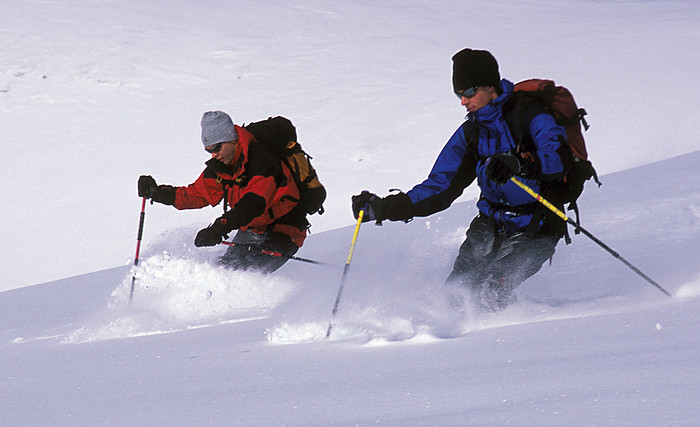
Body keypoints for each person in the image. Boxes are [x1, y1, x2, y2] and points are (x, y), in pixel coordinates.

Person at [351, 48, 576, 311]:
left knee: (490, 291)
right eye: (459, 94)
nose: (463, 101)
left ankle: (506, 339)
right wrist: (386, 207)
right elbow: (441, 185)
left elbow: (559, 158)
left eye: (469, 91)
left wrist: (521, 162)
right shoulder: (472, 132)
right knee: (456, 294)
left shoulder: (530, 115)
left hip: (537, 225)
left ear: (491, 87)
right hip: (489, 224)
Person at [138, 110, 309, 274]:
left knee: (242, 279)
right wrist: (156, 192)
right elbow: (197, 195)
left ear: (232, 140)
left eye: (217, 148)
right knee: (223, 272)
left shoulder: (263, 161)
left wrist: (219, 228)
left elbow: (253, 203)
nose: (214, 155)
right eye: (209, 151)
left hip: (284, 231)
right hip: (252, 231)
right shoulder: (222, 167)